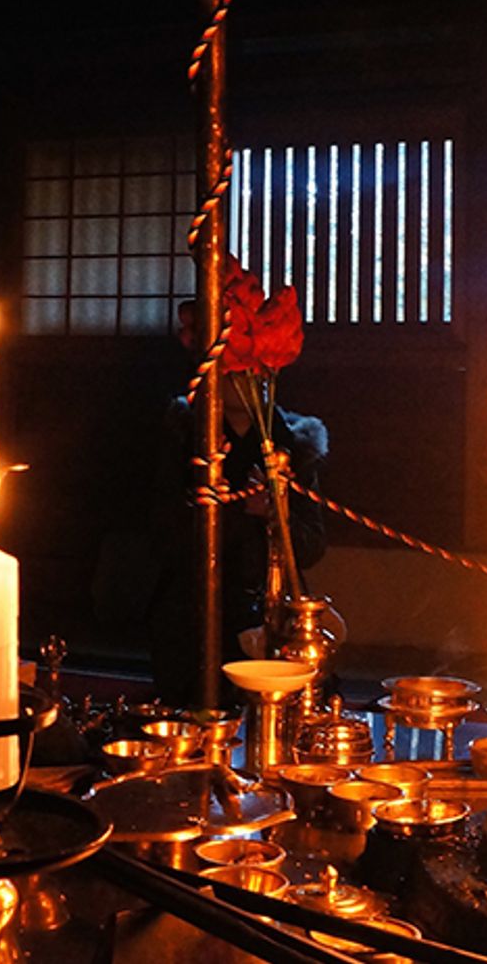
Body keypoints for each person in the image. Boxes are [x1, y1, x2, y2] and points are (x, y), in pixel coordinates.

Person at [142, 301, 329, 707]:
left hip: (272, 609)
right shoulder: (183, 437)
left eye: (254, 370)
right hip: (194, 609)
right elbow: (161, 537)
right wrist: (217, 507)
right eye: (233, 369)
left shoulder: (294, 445)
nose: (244, 379)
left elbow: (313, 545)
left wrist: (274, 517)